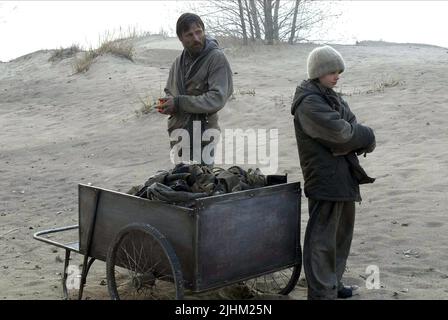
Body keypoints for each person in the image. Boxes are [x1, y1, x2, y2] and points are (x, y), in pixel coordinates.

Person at [290, 45, 376, 300]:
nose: (337, 75)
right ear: (318, 72)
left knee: (341, 235)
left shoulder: (332, 96)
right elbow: (342, 134)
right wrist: (363, 136)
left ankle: (333, 285)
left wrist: (360, 138)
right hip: (324, 177)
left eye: (339, 71)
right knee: (322, 239)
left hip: (344, 176)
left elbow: (351, 127)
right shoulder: (309, 102)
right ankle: (321, 292)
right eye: (331, 71)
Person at [159, 13, 234, 165]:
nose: (196, 38)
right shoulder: (177, 63)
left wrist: (179, 103)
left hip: (204, 134)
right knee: (180, 181)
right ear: (180, 38)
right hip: (179, 134)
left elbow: (217, 98)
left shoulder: (216, 58)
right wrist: (169, 104)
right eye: (189, 35)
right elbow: (170, 91)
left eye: (199, 32)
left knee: (202, 183)